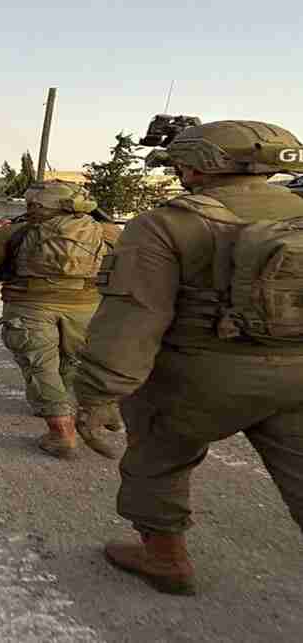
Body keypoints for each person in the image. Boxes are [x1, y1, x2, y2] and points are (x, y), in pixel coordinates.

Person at [74, 120, 303, 595]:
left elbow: (134, 317)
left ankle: (165, 558)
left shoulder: (166, 223)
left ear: (199, 166)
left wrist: (99, 394)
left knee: (157, 458)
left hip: (200, 375)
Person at [0, 180, 121, 459]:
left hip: (29, 306)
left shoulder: (14, 232)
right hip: (86, 307)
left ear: (37, 205)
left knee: (40, 365)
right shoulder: (108, 231)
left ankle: (61, 434)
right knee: (74, 360)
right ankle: (73, 406)